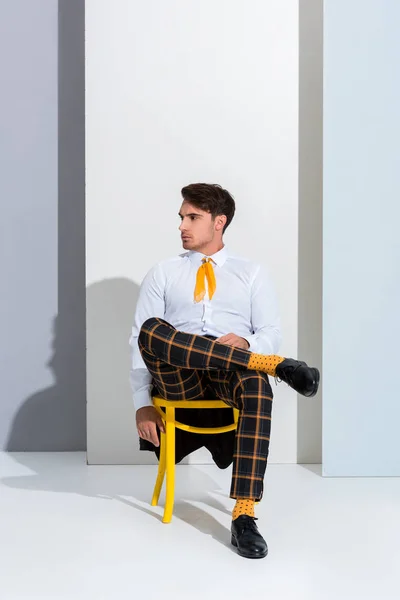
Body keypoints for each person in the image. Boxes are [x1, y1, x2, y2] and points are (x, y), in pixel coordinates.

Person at [129, 183, 320, 559]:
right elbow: (140, 338)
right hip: (178, 377)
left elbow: (271, 331)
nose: (182, 225)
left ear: (219, 222)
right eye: (182, 217)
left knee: (256, 386)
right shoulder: (163, 272)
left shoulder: (251, 273)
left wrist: (248, 345)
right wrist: (141, 402)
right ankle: (276, 366)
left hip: (226, 377)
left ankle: (244, 514)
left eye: (192, 217)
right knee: (153, 329)